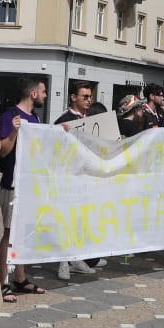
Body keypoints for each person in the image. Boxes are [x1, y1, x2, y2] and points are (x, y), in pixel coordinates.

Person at [49, 82, 107, 280]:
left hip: (87, 176)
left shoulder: (91, 119)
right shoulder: (63, 120)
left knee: (81, 220)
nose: (89, 100)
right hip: (68, 177)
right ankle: (62, 262)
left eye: (90, 96)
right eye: (85, 96)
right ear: (73, 97)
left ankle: (76, 258)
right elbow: (52, 146)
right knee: (66, 219)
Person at [0, 76, 46, 297]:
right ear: (33, 94)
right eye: (43, 91)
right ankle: (3, 280)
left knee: (24, 233)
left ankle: (20, 278)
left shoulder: (34, 117)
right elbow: (3, 150)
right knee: (9, 232)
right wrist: (14, 131)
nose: (45, 95)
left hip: (29, 185)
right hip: (12, 184)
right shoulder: (10, 116)